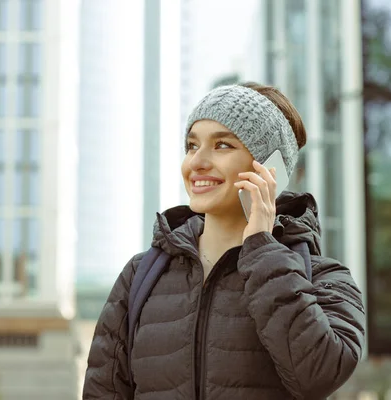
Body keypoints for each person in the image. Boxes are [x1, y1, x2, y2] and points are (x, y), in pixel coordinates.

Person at [82, 83, 366, 400]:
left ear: (269, 169)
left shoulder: (324, 278)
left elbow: (318, 375)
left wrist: (262, 246)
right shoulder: (141, 275)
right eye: (192, 146)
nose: (197, 162)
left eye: (222, 145)